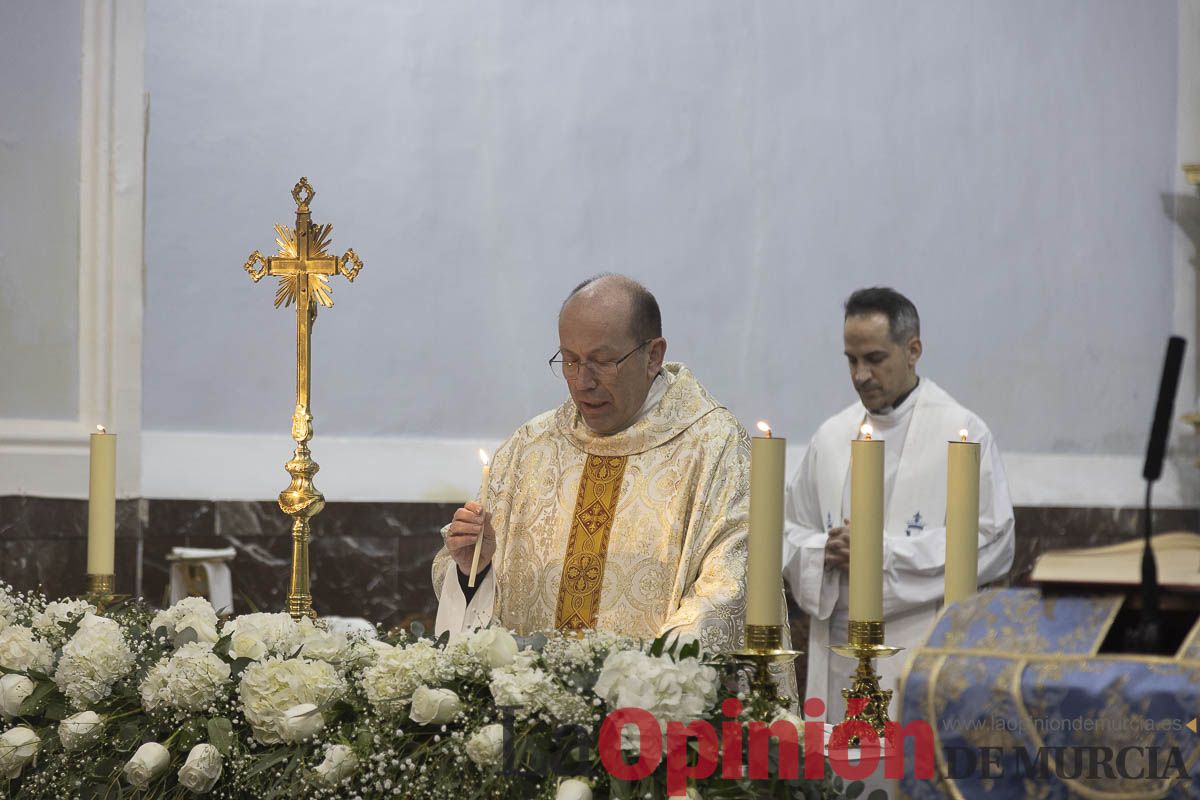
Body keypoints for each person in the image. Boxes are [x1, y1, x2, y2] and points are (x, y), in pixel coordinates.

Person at [433, 274, 772, 655]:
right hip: (530, 708)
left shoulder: (715, 447)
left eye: (602, 362)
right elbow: (467, 588)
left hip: (649, 709)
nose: (581, 382)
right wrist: (472, 568)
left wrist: (644, 680)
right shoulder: (529, 448)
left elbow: (730, 587)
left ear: (653, 356)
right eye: (570, 360)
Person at [782, 287, 1014, 720]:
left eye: (874, 358)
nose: (860, 375)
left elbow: (993, 541)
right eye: (851, 360)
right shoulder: (832, 437)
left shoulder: (962, 432)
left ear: (913, 350)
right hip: (840, 651)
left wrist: (881, 552)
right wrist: (821, 552)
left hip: (922, 643)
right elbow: (791, 530)